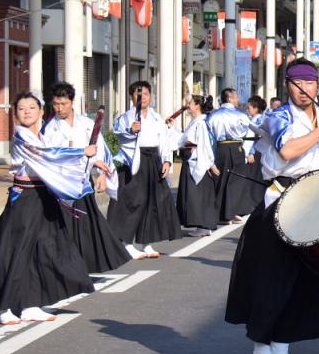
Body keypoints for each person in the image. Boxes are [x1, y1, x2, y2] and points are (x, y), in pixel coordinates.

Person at [225, 59, 319, 354]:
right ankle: (261, 350)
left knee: (304, 281)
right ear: (287, 85)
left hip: (315, 203)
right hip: (282, 202)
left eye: (310, 83)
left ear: (317, 85)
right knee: (273, 278)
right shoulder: (279, 116)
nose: (304, 89)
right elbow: (287, 151)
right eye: (297, 83)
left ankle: (282, 348)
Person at [0, 93, 95, 324]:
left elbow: (54, 159)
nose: (26, 112)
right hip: (25, 200)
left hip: (44, 196)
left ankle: (30, 305)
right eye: (21, 108)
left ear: (41, 111)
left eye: (32, 108)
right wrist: (80, 152)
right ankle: (3, 307)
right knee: (17, 251)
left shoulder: (41, 135)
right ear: (15, 114)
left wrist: (94, 163)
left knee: (42, 250)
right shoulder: (21, 136)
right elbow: (46, 156)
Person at [42, 82, 146, 271]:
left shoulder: (87, 123)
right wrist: (80, 153)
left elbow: (101, 150)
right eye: (55, 104)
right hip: (62, 184)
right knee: (63, 227)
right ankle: (64, 266)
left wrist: (102, 174)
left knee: (86, 226)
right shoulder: (49, 129)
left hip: (84, 182)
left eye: (63, 104)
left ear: (72, 102)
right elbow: (49, 155)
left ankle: (83, 265)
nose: (59, 108)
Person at [108, 81, 181, 254]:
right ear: (131, 97)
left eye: (146, 94)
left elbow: (164, 140)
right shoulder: (126, 118)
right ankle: (126, 242)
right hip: (133, 161)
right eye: (138, 94)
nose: (143, 98)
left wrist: (166, 161)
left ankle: (146, 242)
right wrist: (131, 130)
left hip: (153, 159)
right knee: (133, 200)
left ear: (151, 96)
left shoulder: (156, 117)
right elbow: (119, 134)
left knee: (153, 201)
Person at [208, 88, 257, 223]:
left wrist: (211, 160)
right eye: (235, 97)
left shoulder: (213, 115)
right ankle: (231, 212)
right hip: (237, 148)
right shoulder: (240, 114)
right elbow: (251, 129)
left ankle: (222, 213)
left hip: (221, 148)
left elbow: (210, 138)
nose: (237, 100)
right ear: (229, 98)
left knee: (221, 179)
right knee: (236, 180)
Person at [176, 95, 220, 237]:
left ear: (197, 106)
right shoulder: (195, 122)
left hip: (197, 160)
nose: (188, 105)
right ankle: (203, 225)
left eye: (190, 103)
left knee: (198, 195)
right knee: (197, 194)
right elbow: (183, 139)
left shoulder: (201, 123)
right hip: (192, 158)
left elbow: (205, 144)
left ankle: (204, 225)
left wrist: (210, 163)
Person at [243, 95, 268, 207]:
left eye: (249, 107)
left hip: (256, 152)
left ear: (256, 108)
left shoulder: (259, 120)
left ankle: (254, 204)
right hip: (257, 151)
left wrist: (251, 152)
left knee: (254, 179)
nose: (247, 109)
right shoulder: (256, 119)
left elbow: (257, 137)